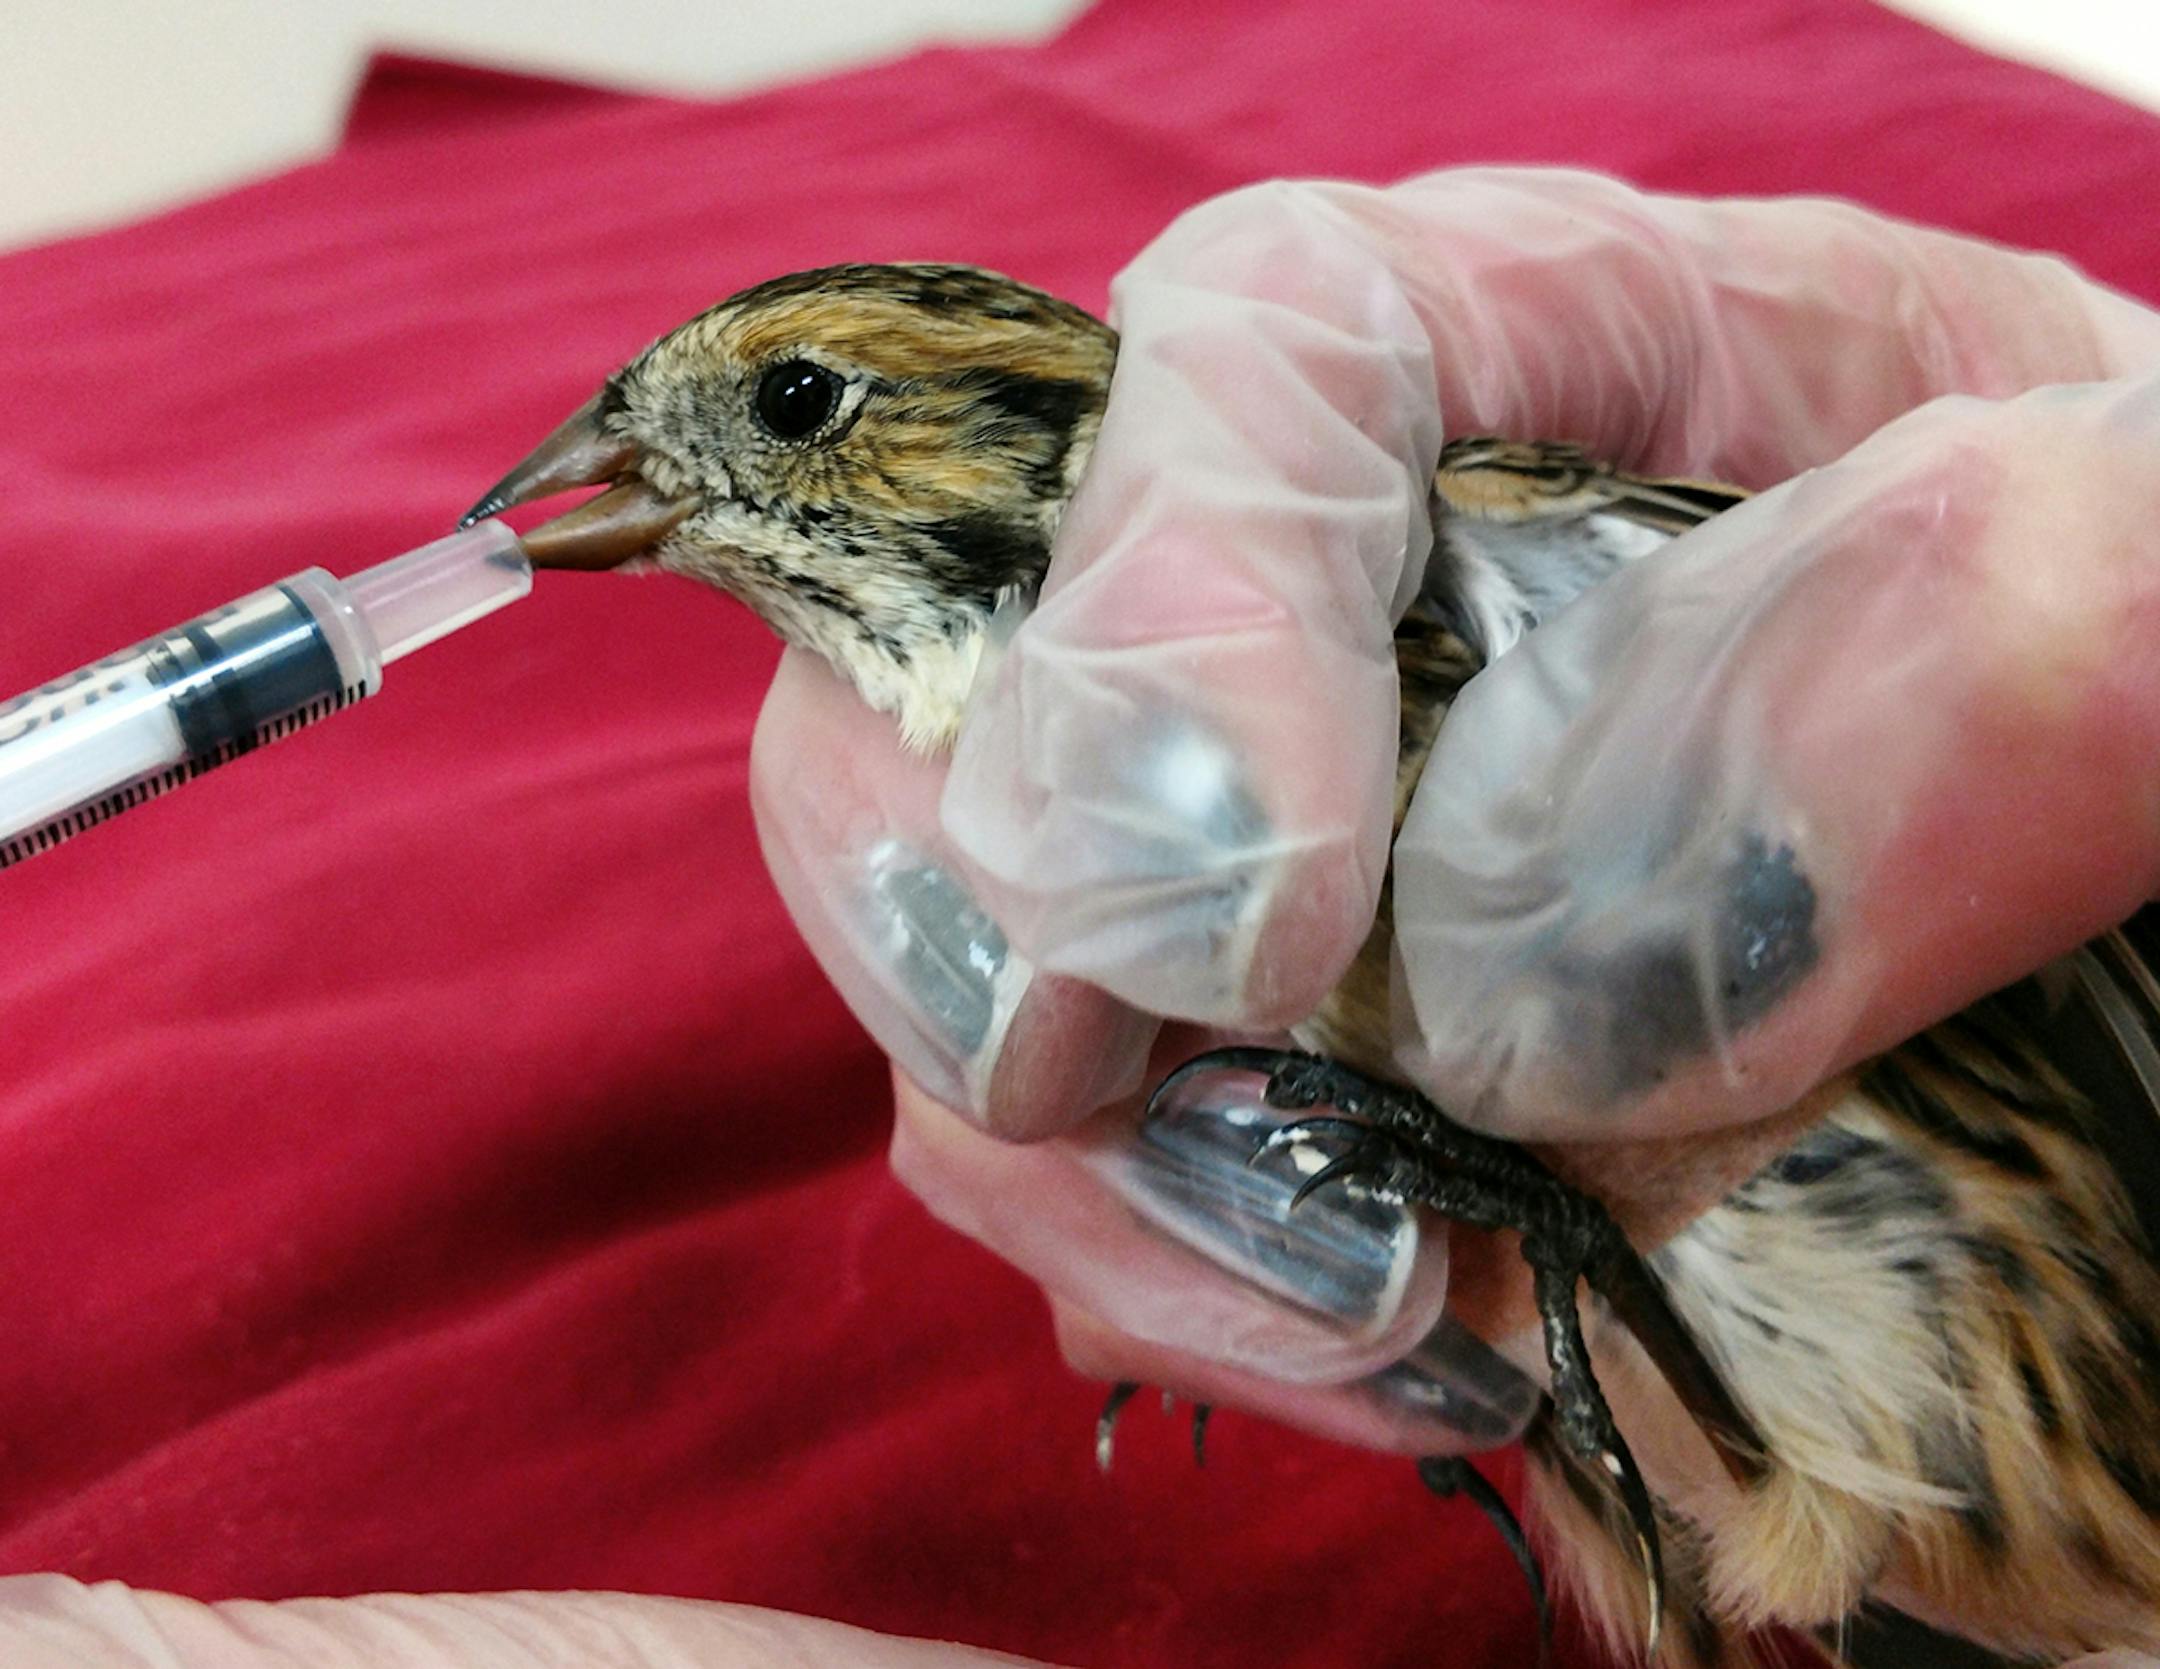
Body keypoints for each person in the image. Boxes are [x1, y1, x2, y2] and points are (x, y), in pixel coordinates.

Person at [14, 171, 2160, 1666]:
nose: (620, 467)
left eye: (792, 411)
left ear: (1024, 437)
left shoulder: (1449, 554)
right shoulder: (1047, 803)